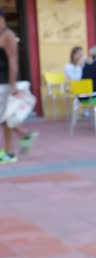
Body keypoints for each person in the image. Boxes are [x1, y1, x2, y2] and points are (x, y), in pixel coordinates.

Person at [0, 9, 38, 164]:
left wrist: (13, 85)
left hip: (5, 83)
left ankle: (9, 153)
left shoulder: (8, 35)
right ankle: (24, 136)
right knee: (4, 118)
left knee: (6, 118)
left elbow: (13, 61)